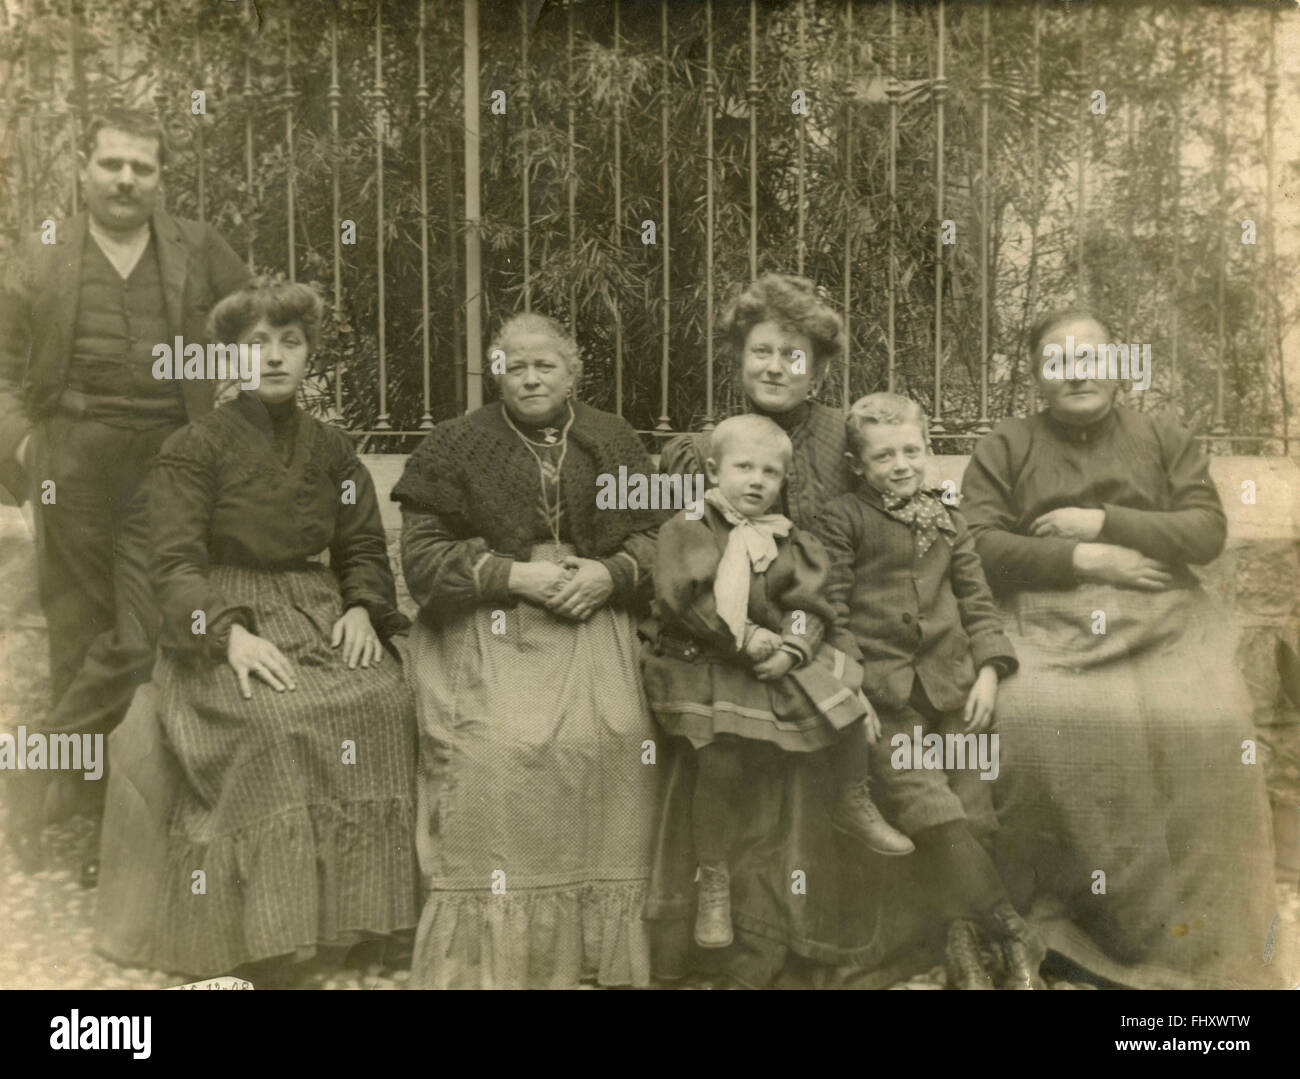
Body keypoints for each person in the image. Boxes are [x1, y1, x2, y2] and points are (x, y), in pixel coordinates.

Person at [94, 282, 419, 982]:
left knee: (387, 702)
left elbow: (361, 544)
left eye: (291, 342)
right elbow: (174, 562)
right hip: (219, 618)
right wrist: (229, 636)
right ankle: (270, 938)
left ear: (309, 356)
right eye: (256, 344)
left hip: (317, 608)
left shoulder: (332, 448)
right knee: (275, 720)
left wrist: (361, 606)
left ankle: (357, 922)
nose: (274, 357)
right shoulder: (194, 446)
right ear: (229, 357)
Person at [960, 307, 1289, 989]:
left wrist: (1106, 519)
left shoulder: (1166, 437)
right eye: (1058, 360)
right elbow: (979, 543)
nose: (1077, 371)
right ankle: (1058, 931)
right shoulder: (1007, 444)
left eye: (1091, 357)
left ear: (1118, 368)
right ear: (1037, 377)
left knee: (1214, 721)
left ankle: (1203, 944)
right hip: (1050, 616)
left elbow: (1204, 532)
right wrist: (1087, 556)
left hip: (1164, 616)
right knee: (1036, 718)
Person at [648, 274, 941, 988]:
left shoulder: (848, 438)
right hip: (725, 636)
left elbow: (887, 532)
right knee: (724, 750)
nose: (776, 366)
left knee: (843, 719)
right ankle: (729, 923)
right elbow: (675, 555)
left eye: (795, 354)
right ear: (738, 358)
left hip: (825, 618)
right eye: (761, 351)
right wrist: (741, 635)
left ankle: (821, 929)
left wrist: (822, 642)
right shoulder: (705, 449)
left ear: (822, 366)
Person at [0, 108, 250, 882]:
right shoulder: (40, 252)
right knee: (78, 629)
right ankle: (91, 813)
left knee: (144, 634)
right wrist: (22, 442)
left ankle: (27, 772)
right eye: (112, 164)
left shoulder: (198, 246)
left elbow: (254, 327)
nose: (125, 180)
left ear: (160, 176)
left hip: (169, 458)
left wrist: (230, 411)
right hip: (70, 456)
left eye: (142, 168)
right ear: (85, 167)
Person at [391, 312, 664, 989]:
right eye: (517, 365)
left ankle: (597, 953)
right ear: (497, 373)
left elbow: (660, 538)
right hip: (491, 617)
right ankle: (490, 957)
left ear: (574, 373)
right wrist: (514, 575)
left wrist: (611, 573)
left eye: (547, 364)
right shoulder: (454, 445)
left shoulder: (613, 438)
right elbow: (423, 560)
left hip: (591, 610)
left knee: (622, 734)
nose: (533, 375)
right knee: (498, 748)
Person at [644, 413, 913, 950]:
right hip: (705, 659)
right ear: (714, 470)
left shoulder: (790, 539)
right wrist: (741, 639)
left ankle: (851, 798)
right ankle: (713, 879)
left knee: (846, 703)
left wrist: (793, 646)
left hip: (771, 657)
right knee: (718, 758)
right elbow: (683, 601)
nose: (755, 480)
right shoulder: (689, 527)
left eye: (770, 472)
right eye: (743, 467)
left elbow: (809, 608)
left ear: (783, 482)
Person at [818, 393, 1043, 990]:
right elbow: (831, 611)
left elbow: (976, 600)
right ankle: (1014, 932)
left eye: (912, 451)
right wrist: (852, 686)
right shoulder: (843, 518)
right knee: (933, 812)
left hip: (954, 687)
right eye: (883, 455)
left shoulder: (948, 517)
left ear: (929, 451)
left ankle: (963, 946)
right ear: (858, 464)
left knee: (975, 812)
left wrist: (991, 670)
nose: (900, 464)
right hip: (887, 696)